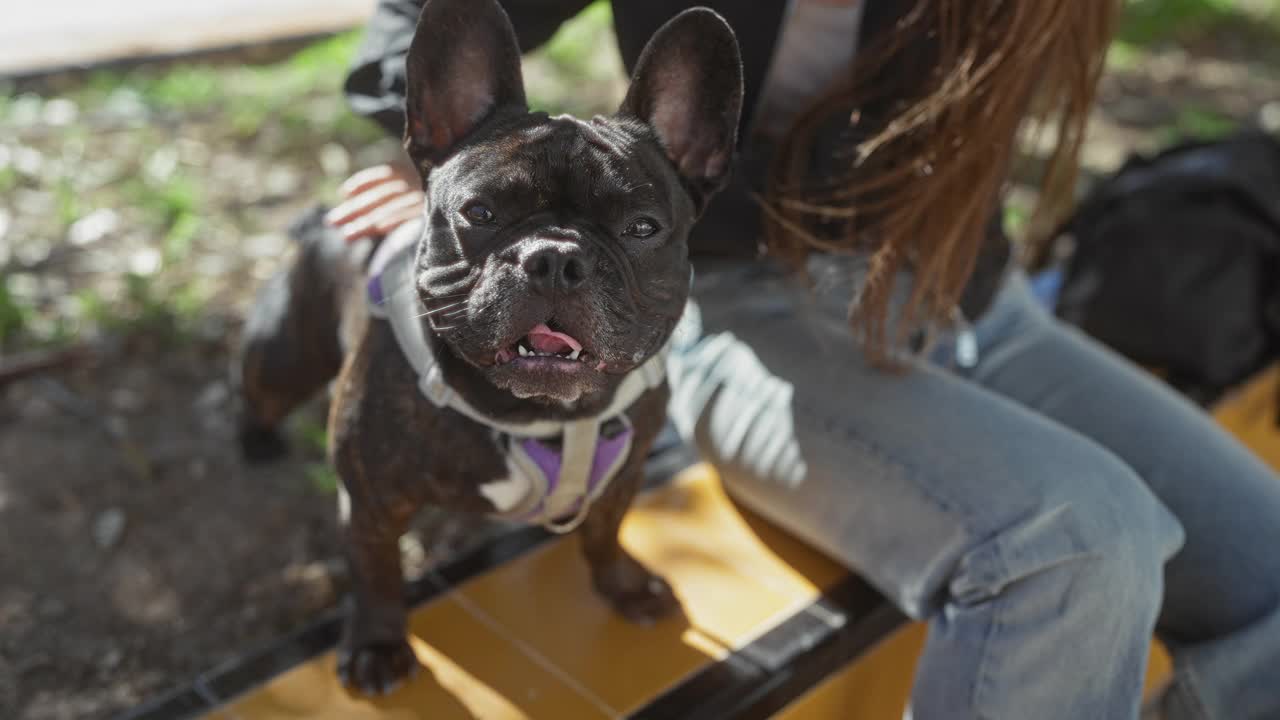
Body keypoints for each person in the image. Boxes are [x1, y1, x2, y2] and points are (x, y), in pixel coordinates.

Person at [326, 1, 1280, 718]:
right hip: (751, 308)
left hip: (964, 293)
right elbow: (422, 23)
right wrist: (463, 168)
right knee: (1077, 543)